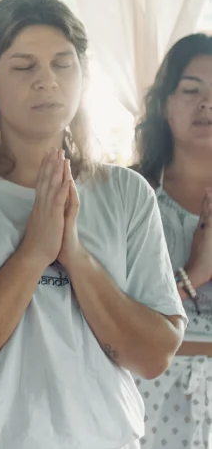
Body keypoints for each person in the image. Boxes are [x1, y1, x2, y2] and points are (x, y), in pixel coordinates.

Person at [0, 0, 185, 449]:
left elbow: (153, 356)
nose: (46, 81)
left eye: (62, 64)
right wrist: (33, 251)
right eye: (24, 66)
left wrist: (74, 255)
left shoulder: (127, 193)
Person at [132, 33, 212, 448]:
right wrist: (194, 273)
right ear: (165, 104)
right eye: (191, 90)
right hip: (150, 398)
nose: (206, 103)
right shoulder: (131, 196)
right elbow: (111, 316)